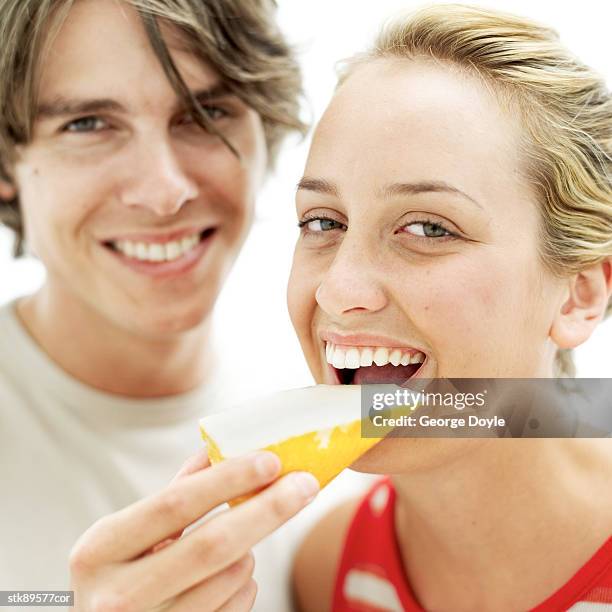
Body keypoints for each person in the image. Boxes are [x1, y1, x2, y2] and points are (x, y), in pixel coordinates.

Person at [0, 0, 324, 609]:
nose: (165, 191)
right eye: (88, 124)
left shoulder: (354, 424)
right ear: (6, 160)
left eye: (207, 112)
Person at [288, 4, 612, 611]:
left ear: (578, 295)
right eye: (323, 221)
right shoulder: (328, 570)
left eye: (430, 228)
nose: (337, 289)